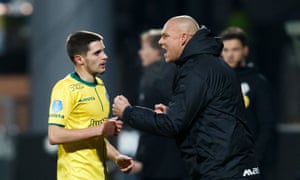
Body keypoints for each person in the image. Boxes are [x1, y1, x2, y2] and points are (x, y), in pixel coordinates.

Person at [112, 15, 261, 179]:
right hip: (235, 167)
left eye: (166, 36)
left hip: (222, 171)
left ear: (183, 38)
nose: (161, 42)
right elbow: (215, 114)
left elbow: (172, 124)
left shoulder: (195, 70)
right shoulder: (214, 64)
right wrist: (174, 112)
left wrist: (127, 112)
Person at [48, 30, 134, 180]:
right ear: (79, 59)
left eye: (104, 51)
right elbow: (54, 135)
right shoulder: (64, 88)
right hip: (76, 176)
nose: (105, 56)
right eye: (97, 53)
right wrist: (100, 128)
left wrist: (116, 157)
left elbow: (95, 137)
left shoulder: (100, 85)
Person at [131, 29, 188, 179]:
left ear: (157, 51)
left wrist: (141, 158)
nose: (140, 52)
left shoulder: (152, 78)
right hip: (180, 159)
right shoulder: (179, 71)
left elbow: (148, 123)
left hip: (158, 162)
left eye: (144, 48)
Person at [220, 27, 276, 179]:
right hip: (219, 162)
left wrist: (255, 158)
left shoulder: (258, 82)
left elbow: (267, 125)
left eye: (235, 49)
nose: (230, 55)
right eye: (225, 50)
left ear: (245, 50)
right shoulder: (215, 82)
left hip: (248, 163)